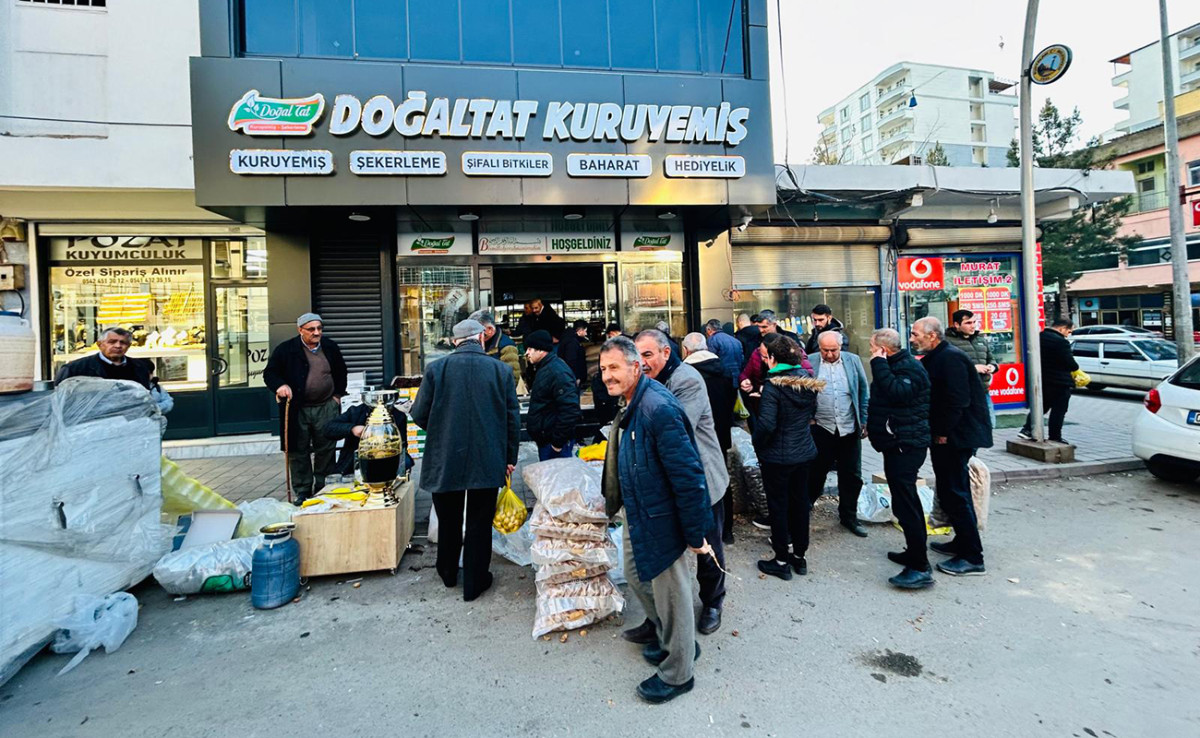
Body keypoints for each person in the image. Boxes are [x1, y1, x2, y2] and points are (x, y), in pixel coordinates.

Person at [598, 336, 712, 704]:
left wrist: (695, 533)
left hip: (662, 517)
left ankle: (679, 673)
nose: (607, 375)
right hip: (639, 510)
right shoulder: (632, 402)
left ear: (636, 368)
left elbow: (688, 475)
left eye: (614, 367)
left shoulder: (658, 408)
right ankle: (674, 641)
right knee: (636, 576)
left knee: (672, 596)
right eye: (603, 369)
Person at [411, 319, 520, 602]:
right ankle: (475, 582)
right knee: (479, 523)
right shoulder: (501, 370)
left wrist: (443, 429)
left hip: (445, 457)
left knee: (448, 520)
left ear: (454, 341)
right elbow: (512, 419)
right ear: (481, 339)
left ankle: (448, 573)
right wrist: (510, 457)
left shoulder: (436, 369)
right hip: (488, 457)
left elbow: (419, 414)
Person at [632, 330, 730, 637]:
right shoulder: (646, 381)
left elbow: (674, 427)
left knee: (707, 547)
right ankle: (660, 615)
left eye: (648, 355)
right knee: (663, 551)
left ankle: (713, 602)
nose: (642, 362)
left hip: (700, 479)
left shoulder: (687, 379)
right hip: (664, 481)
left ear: (666, 352)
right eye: (637, 356)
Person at [910, 316, 993, 578]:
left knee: (957, 492)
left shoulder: (951, 358)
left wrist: (944, 433)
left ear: (932, 336)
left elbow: (957, 400)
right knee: (949, 491)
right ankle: (962, 542)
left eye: (915, 334)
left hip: (956, 437)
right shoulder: (938, 356)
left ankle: (972, 557)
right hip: (948, 435)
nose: (912, 339)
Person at [866, 328, 934, 590]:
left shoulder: (908, 368)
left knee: (907, 504)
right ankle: (913, 552)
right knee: (902, 501)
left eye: (872, 347)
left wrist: (879, 364)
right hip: (896, 444)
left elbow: (897, 393)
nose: (870, 351)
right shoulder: (896, 365)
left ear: (883, 349)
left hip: (907, 445)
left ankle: (920, 566)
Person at [752, 336, 822, 580]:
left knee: (779, 507)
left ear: (773, 358)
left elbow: (767, 425)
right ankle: (800, 557)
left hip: (778, 457)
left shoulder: (774, 386)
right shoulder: (808, 382)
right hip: (803, 452)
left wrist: (757, 443)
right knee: (800, 504)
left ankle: (781, 560)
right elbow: (811, 413)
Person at [263, 313, 348, 505]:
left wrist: (337, 396)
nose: (316, 333)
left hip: (325, 406)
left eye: (319, 328)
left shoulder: (330, 347)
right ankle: (302, 490)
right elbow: (270, 373)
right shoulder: (286, 349)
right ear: (300, 330)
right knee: (297, 449)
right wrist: (280, 386)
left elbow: (341, 371)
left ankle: (323, 487)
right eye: (311, 329)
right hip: (297, 408)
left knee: (326, 448)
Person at [807, 331, 871, 538]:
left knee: (851, 475)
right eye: (825, 350)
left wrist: (864, 420)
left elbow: (863, 391)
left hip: (848, 427)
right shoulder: (810, 361)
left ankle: (849, 516)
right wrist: (809, 418)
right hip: (821, 428)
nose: (829, 354)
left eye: (833, 350)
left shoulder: (852, 361)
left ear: (841, 347)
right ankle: (806, 507)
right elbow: (803, 392)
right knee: (816, 472)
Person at [682, 332, 736, 546]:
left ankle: (703, 529)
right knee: (721, 476)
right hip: (720, 432)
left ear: (686, 350)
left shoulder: (686, 375)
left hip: (697, 434)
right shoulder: (724, 369)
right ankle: (727, 529)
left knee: (698, 479)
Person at [322, 396, 414, 479]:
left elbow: (402, 447)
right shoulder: (356, 412)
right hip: (355, 465)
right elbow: (328, 429)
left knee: (406, 461)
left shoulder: (398, 416)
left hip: (386, 461)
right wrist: (352, 428)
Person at [1018, 318, 1079, 444]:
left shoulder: (1039, 337)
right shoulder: (1061, 342)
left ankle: (1027, 429)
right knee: (1059, 410)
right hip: (1060, 382)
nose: (1068, 334)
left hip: (1042, 379)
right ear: (1062, 328)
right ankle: (1055, 436)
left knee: (1042, 406)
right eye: (1069, 331)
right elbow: (1071, 364)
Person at [524, 329, 581, 461]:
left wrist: (557, 443)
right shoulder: (545, 368)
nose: (527, 353)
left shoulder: (557, 371)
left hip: (554, 444)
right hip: (547, 440)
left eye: (530, 348)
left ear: (541, 350)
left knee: (557, 474)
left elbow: (570, 409)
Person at [55, 326, 154, 389]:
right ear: (99, 344)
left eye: (123, 342)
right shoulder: (75, 369)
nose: (118, 346)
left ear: (129, 346)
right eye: (112, 342)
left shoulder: (140, 367)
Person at [945, 310, 998, 427]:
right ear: (957, 324)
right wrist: (973, 368)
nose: (973, 326)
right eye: (968, 323)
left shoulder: (981, 340)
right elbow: (947, 367)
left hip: (983, 391)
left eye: (974, 322)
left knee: (990, 425)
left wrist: (992, 367)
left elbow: (992, 359)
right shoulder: (947, 342)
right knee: (967, 428)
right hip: (962, 393)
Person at [469, 310, 521, 389]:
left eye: (476, 331)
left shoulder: (507, 347)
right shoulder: (479, 343)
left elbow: (511, 380)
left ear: (490, 329)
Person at [703, 318, 743, 386]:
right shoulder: (735, 340)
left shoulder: (712, 339)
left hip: (723, 377)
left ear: (709, 330)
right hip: (737, 376)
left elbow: (711, 360)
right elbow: (741, 358)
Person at [557, 319, 589, 389]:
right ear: (580, 331)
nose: (586, 334)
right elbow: (571, 361)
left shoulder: (570, 339)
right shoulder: (572, 342)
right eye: (585, 331)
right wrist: (577, 377)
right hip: (571, 378)